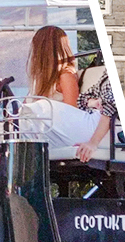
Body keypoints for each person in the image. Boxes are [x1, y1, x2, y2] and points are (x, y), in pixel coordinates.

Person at [21, 26, 112, 162]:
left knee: (41, 107)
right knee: (25, 116)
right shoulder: (40, 81)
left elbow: (73, 109)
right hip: (61, 128)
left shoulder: (66, 74)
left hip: (83, 126)